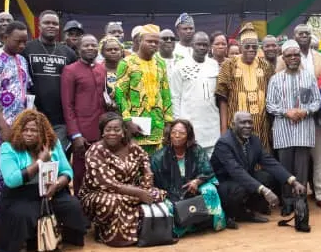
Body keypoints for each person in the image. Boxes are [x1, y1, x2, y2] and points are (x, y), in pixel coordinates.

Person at [0, 110, 87, 252]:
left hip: (50, 190)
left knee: (72, 205)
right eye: (25, 130)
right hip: (19, 194)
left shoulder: (53, 144)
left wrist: (57, 184)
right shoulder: (9, 148)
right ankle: (28, 241)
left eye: (34, 130)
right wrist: (40, 162)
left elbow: (67, 171)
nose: (29, 134)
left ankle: (62, 236)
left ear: (42, 132)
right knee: (24, 214)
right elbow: (12, 180)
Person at [79, 113, 165, 247]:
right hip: (100, 193)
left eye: (116, 129)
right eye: (108, 130)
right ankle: (110, 234)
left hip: (133, 190)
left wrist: (146, 187)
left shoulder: (133, 147)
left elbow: (146, 167)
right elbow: (108, 184)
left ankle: (143, 231)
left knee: (157, 194)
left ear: (123, 132)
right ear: (102, 133)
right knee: (112, 202)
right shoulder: (95, 151)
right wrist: (139, 193)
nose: (112, 133)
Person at [211, 111, 305, 223]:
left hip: (242, 177)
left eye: (250, 122)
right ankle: (238, 214)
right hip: (225, 183)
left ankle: (252, 207)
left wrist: (293, 182)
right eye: (243, 122)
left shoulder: (254, 140)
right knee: (240, 189)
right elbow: (236, 171)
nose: (247, 126)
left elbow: (270, 162)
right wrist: (264, 190)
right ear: (233, 124)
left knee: (268, 177)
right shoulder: (224, 143)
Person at [282, 24, 321, 211]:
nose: (304, 36)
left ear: (311, 36)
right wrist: (292, 111)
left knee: (320, 157)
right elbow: (281, 82)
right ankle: (294, 197)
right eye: (300, 33)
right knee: (297, 160)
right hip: (293, 117)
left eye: (307, 33)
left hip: (315, 115)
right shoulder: (285, 57)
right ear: (294, 36)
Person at [0, 21, 32, 214]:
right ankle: (0, 214)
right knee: (1, 169)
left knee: (21, 166)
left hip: (23, 124)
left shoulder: (22, 60)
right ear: (5, 37)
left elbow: (25, 91)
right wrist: (2, 126)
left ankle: (18, 212)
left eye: (25, 42)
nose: (22, 45)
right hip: (4, 122)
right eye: (17, 41)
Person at [150, 119, 227, 235]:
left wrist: (196, 181)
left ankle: (212, 223)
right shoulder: (159, 157)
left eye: (182, 133)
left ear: (188, 136)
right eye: (174, 132)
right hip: (170, 193)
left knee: (210, 190)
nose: (177, 136)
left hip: (194, 189)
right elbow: (156, 182)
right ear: (169, 135)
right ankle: (181, 230)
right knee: (166, 206)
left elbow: (207, 171)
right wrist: (169, 193)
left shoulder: (196, 150)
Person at [267, 40, 321, 202]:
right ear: (283, 58)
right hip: (283, 130)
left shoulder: (309, 77)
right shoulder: (275, 79)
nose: (293, 58)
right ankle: (287, 202)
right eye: (289, 55)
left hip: (304, 130)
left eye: (296, 55)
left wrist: (305, 111)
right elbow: (270, 104)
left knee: (302, 169)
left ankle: (300, 203)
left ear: (300, 57)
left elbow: (317, 101)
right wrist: (286, 112)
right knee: (285, 169)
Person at [61, 34, 112, 194]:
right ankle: (81, 205)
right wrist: (75, 134)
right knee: (81, 174)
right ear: (78, 49)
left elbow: (104, 95)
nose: (90, 48)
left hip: (102, 130)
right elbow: (67, 105)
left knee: (102, 171)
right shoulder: (70, 70)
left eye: (93, 45)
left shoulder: (101, 69)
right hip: (82, 133)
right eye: (86, 45)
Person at [115, 24, 174, 153]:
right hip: (135, 126)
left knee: (158, 162)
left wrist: (169, 122)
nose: (153, 44)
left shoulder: (160, 63)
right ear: (139, 41)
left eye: (156, 42)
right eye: (149, 41)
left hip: (158, 125)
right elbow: (120, 94)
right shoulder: (126, 63)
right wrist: (127, 121)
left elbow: (165, 93)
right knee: (137, 162)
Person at [23, 10, 76, 149]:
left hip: (60, 120)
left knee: (55, 156)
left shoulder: (69, 53)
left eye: (55, 23)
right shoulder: (26, 49)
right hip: (33, 117)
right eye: (47, 23)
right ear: (39, 26)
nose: (51, 26)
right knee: (33, 156)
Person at [168, 31, 222, 159]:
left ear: (209, 46)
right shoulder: (180, 66)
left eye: (205, 44)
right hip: (189, 123)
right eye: (199, 44)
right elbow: (175, 96)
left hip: (212, 124)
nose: (202, 47)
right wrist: (178, 122)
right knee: (191, 160)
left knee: (210, 162)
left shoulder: (214, 65)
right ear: (192, 45)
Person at [216, 23, 274, 143]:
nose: (251, 49)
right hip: (236, 126)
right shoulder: (229, 65)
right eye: (247, 46)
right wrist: (223, 129)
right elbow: (222, 99)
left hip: (262, 127)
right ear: (241, 47)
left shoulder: (266, 66)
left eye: (254, 46)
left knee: (261, 153)